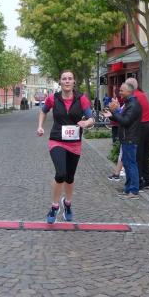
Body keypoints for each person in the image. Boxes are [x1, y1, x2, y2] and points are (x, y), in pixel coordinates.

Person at [36, 71, 94, 222]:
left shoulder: (81, 99)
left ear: (74, 82)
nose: (67, 81)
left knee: (69, 177)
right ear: (60, 82)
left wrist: (86, 122)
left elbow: (91, 118)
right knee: (60, 174)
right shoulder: (53, 98)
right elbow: (43, 112)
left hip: (74, 143)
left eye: (70, 79)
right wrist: (40, 126)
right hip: (57, 140)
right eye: (64, 79)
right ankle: (54, 207)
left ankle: (67, 203)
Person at [103, 82, 141, 200]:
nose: (119, 93)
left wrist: (115, 111)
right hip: (126, 138)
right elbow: (122, 118)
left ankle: (133, 191)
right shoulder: (128, 103)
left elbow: (125, 121)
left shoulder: (133, 105)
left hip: (130, 138)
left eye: (121, 91)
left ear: (129, 92)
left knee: (131, 165)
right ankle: (128, 189)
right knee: (127, 165)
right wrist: (111, 115)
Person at [125, 77, 149, 190]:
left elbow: (129, 115)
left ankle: (138, 182)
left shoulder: (134, 97)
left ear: (129, 87)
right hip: (148, 126)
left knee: (137, 155)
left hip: (140, 127)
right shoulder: (142, 95)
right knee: (144, 156)